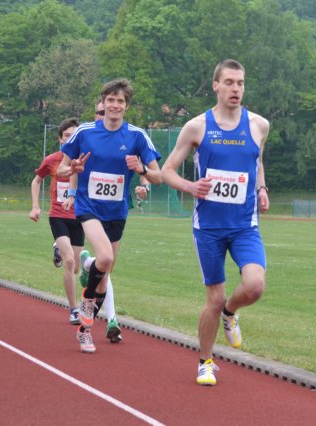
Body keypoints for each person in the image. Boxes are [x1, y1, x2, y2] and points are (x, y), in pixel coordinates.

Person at [161, 59, 270, 386]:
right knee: (214, 298)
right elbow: (167, 170)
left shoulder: (259, 125)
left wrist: (262, 188)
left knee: (255, 286)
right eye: (230, 82)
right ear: (216, 86)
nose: (236, 89)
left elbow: (257, 161)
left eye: (241, 83)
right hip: (208, 228)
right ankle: (205, 361)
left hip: (244, 225)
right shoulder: (197, 127)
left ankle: (230, 312)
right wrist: (190, 186)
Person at [58, 78, 162, 353]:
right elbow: (61, 170)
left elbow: (158, 176)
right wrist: (74, 169)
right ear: (103, 103)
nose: (115, 105)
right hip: (88, 207)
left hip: (117, 211)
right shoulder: (85, 132)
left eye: (120, 101)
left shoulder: (137, 136)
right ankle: (87, 301)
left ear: (127, 105)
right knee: (105, 258)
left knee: (104, 275)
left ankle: (84, 331)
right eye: (111, 100)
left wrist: (141, 170)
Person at [29, 118, 83, 324]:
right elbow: (36, 181)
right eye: (67, 136)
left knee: (76, 268)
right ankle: (74, 309)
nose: (71, 139)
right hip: (58, 215)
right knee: (69, 262)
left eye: (74, 135)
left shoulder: (85, 159)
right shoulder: (52, 160)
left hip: (80, 217)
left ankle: (58, 249)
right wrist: (35, 206)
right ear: (60, 139)